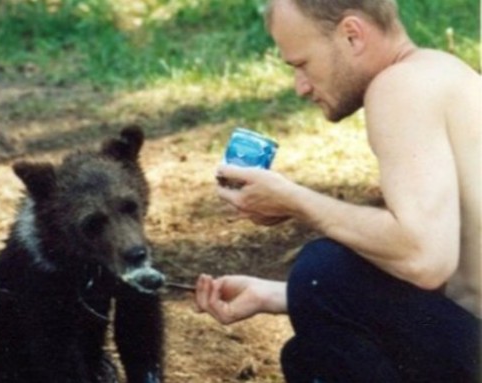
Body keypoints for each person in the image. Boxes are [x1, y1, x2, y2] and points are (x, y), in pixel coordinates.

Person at [194, 0, 481, 382]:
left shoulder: (400, 87)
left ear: (352, 34)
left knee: (323, 270)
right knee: (312, 348)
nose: (301, 87)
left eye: (301, 64)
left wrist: (296, 201)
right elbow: (452, 267)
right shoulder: (442, 72)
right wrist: (278, 295)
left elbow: (424, 258)